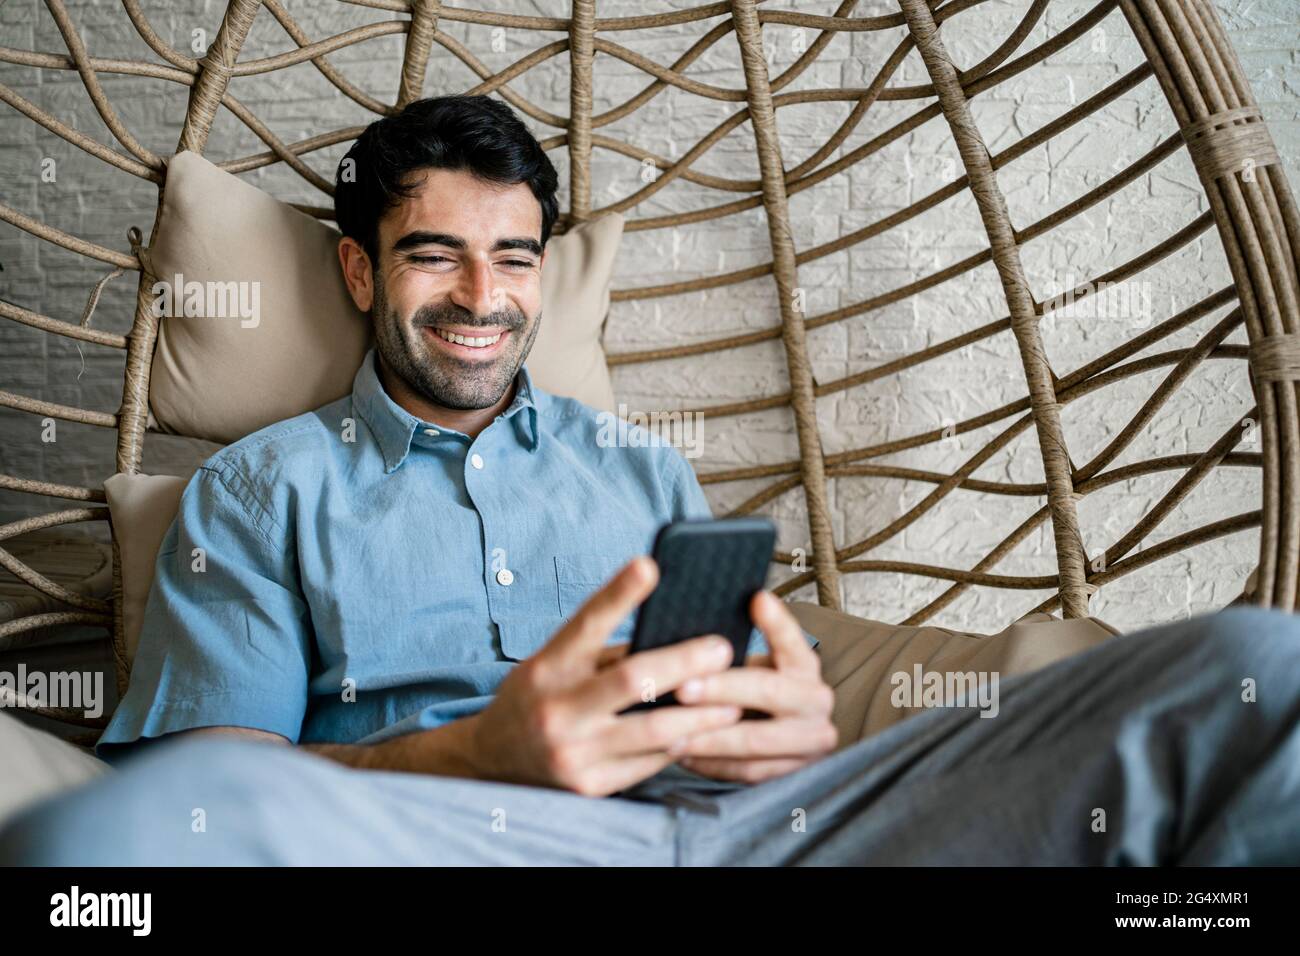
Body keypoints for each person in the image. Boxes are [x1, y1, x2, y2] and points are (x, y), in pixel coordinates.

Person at [2, 96, 1298, 865]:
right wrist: (485, 757)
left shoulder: (634, 465)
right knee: (122, 839)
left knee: (1259, 670)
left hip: (768, 831)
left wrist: (783, 710)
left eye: (514, 260)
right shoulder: (256, 493)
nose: (481, 299)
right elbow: (208, 808)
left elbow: (744, 675)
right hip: (451, 841)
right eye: (434, 255)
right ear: (358, 274)